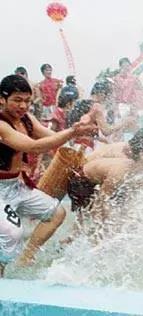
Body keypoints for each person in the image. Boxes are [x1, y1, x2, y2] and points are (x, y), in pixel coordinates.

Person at [0, 75, 94, 274]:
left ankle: (25, 259)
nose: (23, 106)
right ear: (2, 99)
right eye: (17, 100)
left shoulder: (27, 120)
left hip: (17, 185)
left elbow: (52, 138)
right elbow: (34, 147)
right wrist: (72, 132)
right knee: (12, 234)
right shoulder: (1, 124)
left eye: (27, 100)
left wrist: (76, 131)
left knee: (56, 213)